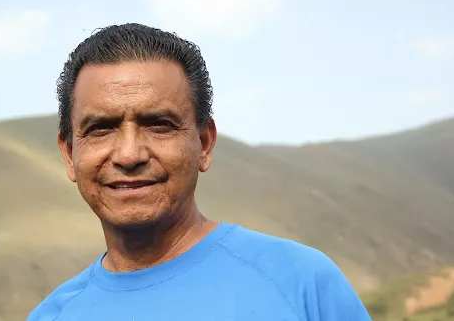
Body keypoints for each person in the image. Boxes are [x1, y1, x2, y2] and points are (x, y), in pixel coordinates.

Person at [27, 23, 371, 321]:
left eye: (159, 125)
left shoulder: (300, 284)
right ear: (70, 154)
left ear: (204, 143)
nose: (129, 154)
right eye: (101, 129)